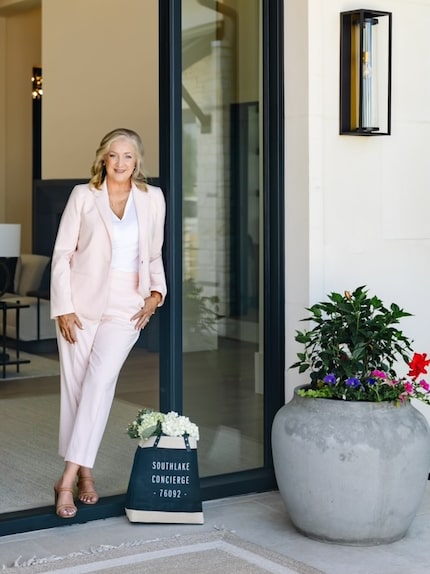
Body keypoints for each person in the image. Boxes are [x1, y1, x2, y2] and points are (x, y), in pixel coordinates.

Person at [50, 128, 167, 518]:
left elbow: (153, 256)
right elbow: (63, 253)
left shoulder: (153, 200)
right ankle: (86, 473)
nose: (120, 163)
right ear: (103, 157)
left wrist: (156, 295)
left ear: (138, 161)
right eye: (114, 156)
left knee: (99, 384)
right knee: (77, 390)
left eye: (128, 157)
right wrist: (63, 307)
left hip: (127, 306)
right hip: (80, 306)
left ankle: (65, 480)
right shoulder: (83, 196)